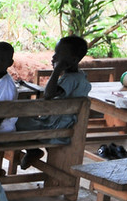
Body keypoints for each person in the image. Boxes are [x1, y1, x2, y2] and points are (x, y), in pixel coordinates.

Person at [17, 35, 92, 168]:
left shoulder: (70, 80)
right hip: (60, 126)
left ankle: (33, 150)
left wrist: (57, 70)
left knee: (17, 121)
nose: (54, 57)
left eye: (59, 54)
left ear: (73, 60)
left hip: (54, 130)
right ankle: (34, 151)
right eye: (55, 53)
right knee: (25, 118)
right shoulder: (79, 77)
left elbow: (48, 94)